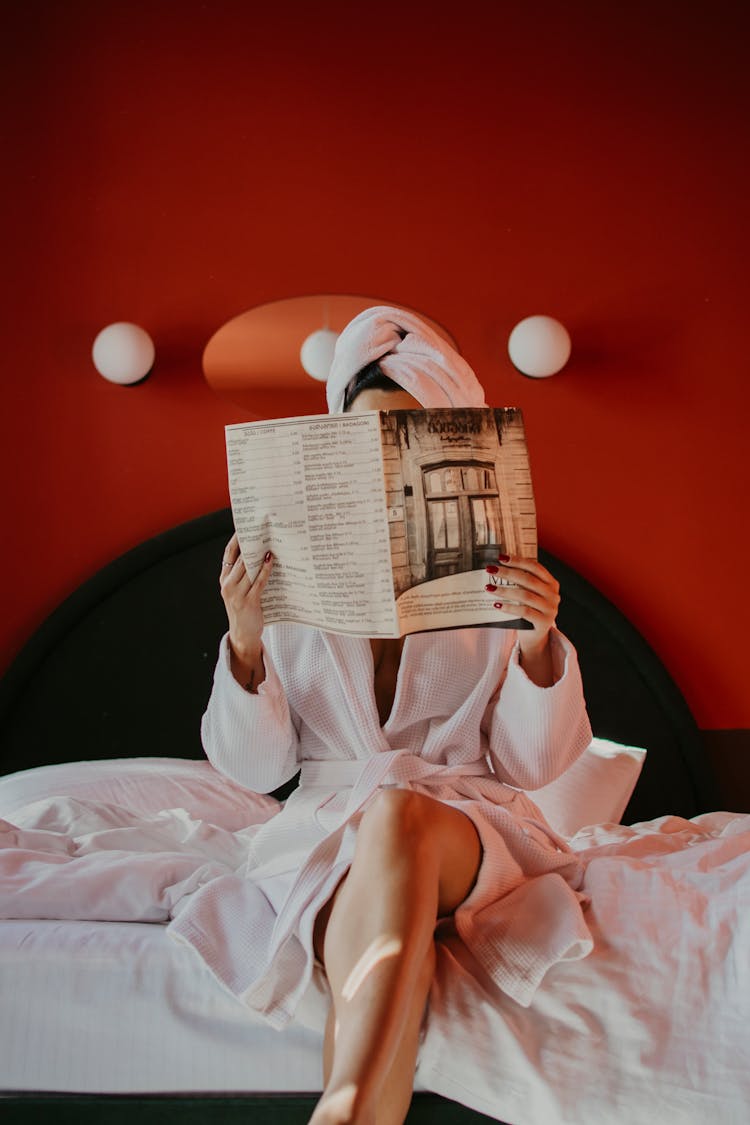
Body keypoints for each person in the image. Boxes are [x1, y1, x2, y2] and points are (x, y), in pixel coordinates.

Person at [169, 307, 594, 1125]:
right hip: (327, 828)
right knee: (366, 895)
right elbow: (258, 775)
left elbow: (534, 767)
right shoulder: (290, 586)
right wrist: (247, 644)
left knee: (399, 814)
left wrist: (539, 640)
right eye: (361, 448)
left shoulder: (494, 581)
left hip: (460, 823)